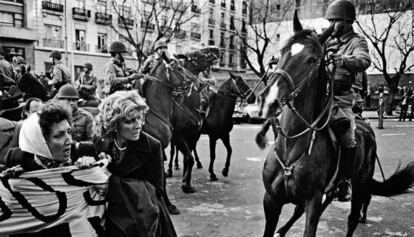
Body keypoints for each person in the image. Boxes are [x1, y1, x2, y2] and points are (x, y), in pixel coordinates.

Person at [2, 100, 103, 236]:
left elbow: (105, 192)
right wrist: (17, 181)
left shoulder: (84, 152)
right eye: (59, 135)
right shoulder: (16, 160)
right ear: (39, 141)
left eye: (69, 132)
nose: (69, 140)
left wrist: (93, 171)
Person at [95, 90, 177, 237]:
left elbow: (156, 191)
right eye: (129, 121)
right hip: (111, 216)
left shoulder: (152, 146)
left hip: (143, 220)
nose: (138, 125)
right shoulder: (103, 143)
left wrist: (112, 183)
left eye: (139, 119)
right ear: (115, 124)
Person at [325, 0, 371, 202]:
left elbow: (364, 60)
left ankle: (345, 181)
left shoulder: (357, 42)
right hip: (323, 97)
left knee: (347, 136)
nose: (330, 25)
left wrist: (343, 60)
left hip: (343, 99)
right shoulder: (328, 41)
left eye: (334, 20)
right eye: (329, 20)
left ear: (346, 21)